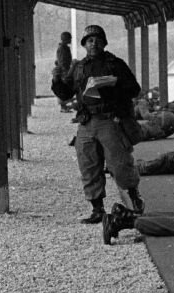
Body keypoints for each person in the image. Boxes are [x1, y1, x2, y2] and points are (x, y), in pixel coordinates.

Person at [50, 23, 144, 224]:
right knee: (88, 164)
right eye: (90, 41)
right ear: (84, 44)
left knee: (119, 163)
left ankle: (134, 196)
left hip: (109, 120)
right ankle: (97, 209)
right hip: (86, 122)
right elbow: (66, 93)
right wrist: (56, 80)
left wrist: (115, 83)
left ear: (104, 43)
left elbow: (134, 89)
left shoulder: (115, 64)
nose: (94, 44)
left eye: (98, 40)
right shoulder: (78, 67)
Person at [53, 31, 75, 112]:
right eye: (70, 38)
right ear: (65, 39)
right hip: (64, 71)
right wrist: (65, 72)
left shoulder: (64, 47)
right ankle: (63, 106)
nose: (71, 39)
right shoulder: (62, 48)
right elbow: (62, 61)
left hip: (65, 69)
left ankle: (64, 105)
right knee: (63, 87)